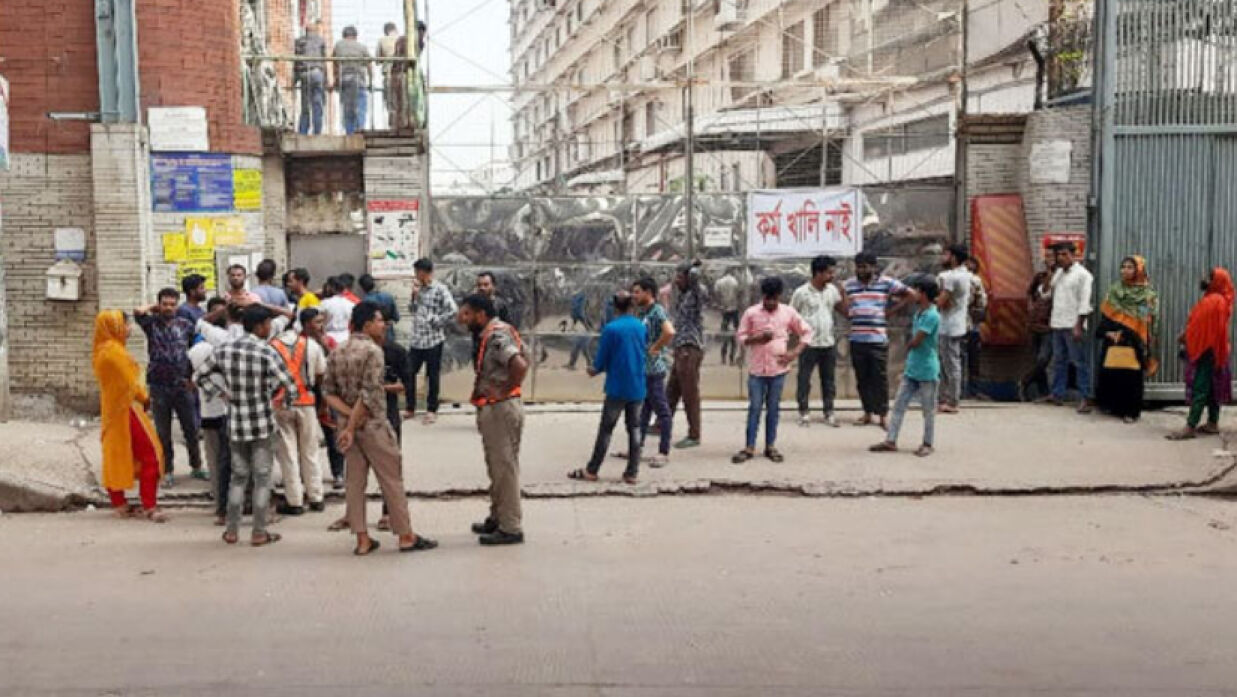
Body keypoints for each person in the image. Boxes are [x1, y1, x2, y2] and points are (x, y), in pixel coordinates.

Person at [323, 301, 438, 555]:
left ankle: (362, 539)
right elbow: (370, 395)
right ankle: (405, 535)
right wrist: (353, 424)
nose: (383, 325)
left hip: (346, 427)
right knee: (391, 479)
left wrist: (346, 419)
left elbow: (328, 393)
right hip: (372, 424)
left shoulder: (337, 352)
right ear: (366, 324)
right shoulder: (374, 352)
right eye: (378, 320)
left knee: (355, 483)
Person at [193, 305, 297, 546]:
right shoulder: (266, 351)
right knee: (262, 478)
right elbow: (290, 384)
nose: (270, 328)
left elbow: (198, 377)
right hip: (262, 423)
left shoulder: (225, 350)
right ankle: (259, 532)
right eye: (268, 324)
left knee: (237, 478)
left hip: (236, 424)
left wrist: (220, 393)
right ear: (260, 326)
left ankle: (231, 530)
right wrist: (282, 404)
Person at [460, 294, 529, 546]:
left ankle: (510, 527)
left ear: (480, 314)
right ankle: (497, 516)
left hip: (500, 408)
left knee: (504, 468)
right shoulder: (494, 333)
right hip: (495, 408)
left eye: (466, 314)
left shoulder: (497, 336)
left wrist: (503, 390)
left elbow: (520, 365)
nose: (462, 319)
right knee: (496, 466)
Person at [92, 310, 168, 523]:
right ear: (114, 326)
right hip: (127, 409)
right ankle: (149, 505)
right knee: (151, 454)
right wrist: (145, 398)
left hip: (113, 410)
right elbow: (131, 384)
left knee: (116, 454)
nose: (129, 329)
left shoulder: (101, 350)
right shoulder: (115, 353)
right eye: (125, 325)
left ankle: (120, 504)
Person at [568, 292, 647, 485]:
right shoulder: (641, 327)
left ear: (615, 307)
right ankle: (632, 473)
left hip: (617, 386)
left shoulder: (611, 329)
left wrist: (594, 369)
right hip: (637, 385)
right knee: (635, 428)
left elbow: (601, 359)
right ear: (632, 306)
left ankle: (592, 470)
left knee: (606, 430)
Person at [732, 277, 813, 464]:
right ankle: (749, 447)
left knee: (774, 409)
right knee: (754, 408)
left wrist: (794, 353)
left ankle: (770, 446)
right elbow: (741, 336)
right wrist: (757, 339)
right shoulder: (751, 313)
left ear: (779, 296)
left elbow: (807, 332)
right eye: (768, 299)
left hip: (778, 370)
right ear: (763, 296)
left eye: (774, 299)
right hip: (757, 371)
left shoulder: (788, 313)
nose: (770, 303)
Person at [134, 288, 203, 486]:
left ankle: (196, 466)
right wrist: (152, 308)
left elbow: (195, 351)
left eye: (172, 304)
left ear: (177, 305)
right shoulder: (151, 324)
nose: (169, 308)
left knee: (191, 428)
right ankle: (168, 470)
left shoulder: (186, 325)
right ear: (159, 304)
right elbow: (137, 312)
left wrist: (192, 378)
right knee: (163, 432)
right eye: (165, 304)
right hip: (158, 385)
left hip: (183, 384)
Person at [870, 278, 941, 457]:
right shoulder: (919, 313)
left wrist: (907, 346)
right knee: (900, 405)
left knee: (928, 409)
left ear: (924, 294)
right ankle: (891, 440)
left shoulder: (932, 315)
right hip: (913, 367)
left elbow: (917, 340)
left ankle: (927, 443)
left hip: (927, 369)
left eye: (917, 291)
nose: (914, 294)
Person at [843, 251, 911, 429]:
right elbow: (842, 303)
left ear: (874, 267)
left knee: (879, 378)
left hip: (877, 339)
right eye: (858, 266)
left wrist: (890, 311)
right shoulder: (849, 285)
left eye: (865, 266)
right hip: (857, 338)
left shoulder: (886, 283)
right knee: (862, 378)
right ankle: (867, 413)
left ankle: (882, 415)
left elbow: (910, 294)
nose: (861, 270)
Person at [270, 309, 328, 515]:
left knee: (288, 454)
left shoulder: (272, 346)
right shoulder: (312, 345)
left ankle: (294, 501)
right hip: (307, 402)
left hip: (281, 404)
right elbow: (321, 375)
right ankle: (316, 497)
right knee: (310, 451)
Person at [1167, 268, 1234, 440]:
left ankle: (1190, 426)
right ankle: (1212, 423)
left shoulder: (1214, 301)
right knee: (1212, 387)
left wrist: (1187, 337)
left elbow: (1204, 329)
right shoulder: (1220, 300)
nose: (1204, 279)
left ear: (1217, 281)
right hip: (1215, 350)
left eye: (1209, 277)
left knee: (1200, 387)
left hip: (1207, 350)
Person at [188, 298, 237, 525]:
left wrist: (214, 392)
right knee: (237, 462)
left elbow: (191, 379)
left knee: (217, 463)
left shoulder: (197, 349)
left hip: (209, 414)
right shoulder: (228, 344)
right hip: (232, 413)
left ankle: (220, 507)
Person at [1095, 256, 1158, 423]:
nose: (1125, 270)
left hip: (1133, 341)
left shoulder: (1147, 295)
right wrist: (1108, 333)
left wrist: (1132, 335)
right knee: (1112, 373)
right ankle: (1113, 407)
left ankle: (1131, 411)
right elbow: (1105, 318)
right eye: (1123, 267)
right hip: (1113, 341)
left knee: (1131, 377)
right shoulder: (1115, 291)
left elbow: (1146, 320)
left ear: (1139, 270)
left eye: (1130, 267)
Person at [791, 255, 844, 428]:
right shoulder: (801, 292)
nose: (832, 276)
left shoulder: (832, 291)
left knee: (828, 379)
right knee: (804, 378)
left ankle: (829, 412)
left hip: (827, 343)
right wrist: (795, 340)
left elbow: (842, 308)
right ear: (818, 273)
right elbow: (792, 316)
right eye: (829, 272)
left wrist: (844, 293)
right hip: (808, 344)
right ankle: (804, 412)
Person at [407, 258, 458, 424]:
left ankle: (431, 409)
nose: (415, 275)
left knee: (432, 375)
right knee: (409, 373)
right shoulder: (418, 289)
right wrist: (414, 296)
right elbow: (412, 310)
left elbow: (453, 310)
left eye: (417, 272)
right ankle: (410, 407)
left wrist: (436, 321)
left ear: (425, 272)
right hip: (417, 339)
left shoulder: (440, 289)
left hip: (433, 339)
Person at [1046, 242, 1096, 412]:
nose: (1061, 258)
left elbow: (1085, 302)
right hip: (1058, 323)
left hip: (1073, 324)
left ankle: (1085, 397)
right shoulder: (1059, 273)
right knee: (1059, 361)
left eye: (1064, 254)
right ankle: (1057, 393)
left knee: (1079, 362)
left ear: (1074, 255)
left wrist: (1078, 325)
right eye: (1058, 255)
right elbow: (1046, 294)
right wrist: (1050, 272)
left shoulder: (1083, 275)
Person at [632, 277, 676, 468]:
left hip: (654, 370)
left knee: (663, 412)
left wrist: (656, 348)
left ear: (648, 292)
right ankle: (637, 448)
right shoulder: (644, 312)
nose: (634, 295)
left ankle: (663, 452)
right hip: (645, 369)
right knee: (644, 412)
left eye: (637, 291)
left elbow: (669, 332)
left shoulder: (657, 311)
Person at [667, 260, 708, 449]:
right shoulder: (683, 296)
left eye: (680, 276)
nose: (676, 280)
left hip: (690, 348)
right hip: (680, 348)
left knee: (689, 392)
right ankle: (662, 423)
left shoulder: (696, 294)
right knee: (672, 390)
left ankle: (694, 434)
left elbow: (696, 278)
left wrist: (692, 266)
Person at [935, 244, 972, 414]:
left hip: (949, 325)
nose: (943, 257)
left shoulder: (951, 278)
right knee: (949, 363)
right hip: (956, 324)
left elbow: (942, 302)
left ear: (954, 257)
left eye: (946, 254)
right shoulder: (965, 275)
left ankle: (952, 400)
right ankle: (945, 398)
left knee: (950, 364)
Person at [1021, 260, 1055, 401]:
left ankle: (1025, 381)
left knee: (1043, 359)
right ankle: (1044, 392)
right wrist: (1031, 306)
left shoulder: (1061, 280)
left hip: (1050, 325)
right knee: (1037, 360)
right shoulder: (1040, 277)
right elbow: (1029, 292)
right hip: (1035, 324)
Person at [333, 26, 372, 134]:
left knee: (347, 107)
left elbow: (335, 64)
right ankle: (360, 127)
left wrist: (336, 79)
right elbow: (369, 64)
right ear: (355, 36)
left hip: (344, 80)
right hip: (359, 79)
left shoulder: (338, 45)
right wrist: (371, 80)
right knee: (361, 104)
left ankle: (349, 131)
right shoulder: (361, 46)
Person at [294, 22, 327, 135]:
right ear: (315, 31)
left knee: (305, 104)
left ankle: (303, 131)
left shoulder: (299, 41)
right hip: (317, 73)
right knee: (317, 103)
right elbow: (324, 61)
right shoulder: (321, 41)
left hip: (305, 73)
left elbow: (296, 61)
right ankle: (317, 131)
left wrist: (295, 79)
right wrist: (326, 81)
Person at [963, 256, 989, 398]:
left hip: (968, 326)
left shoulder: (974, 281)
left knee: (967, 359)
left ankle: (967, 390)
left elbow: (982, 303)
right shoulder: (976, 281)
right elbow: (982, 303)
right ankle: (970, 390)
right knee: (971, 360)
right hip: (969, 326)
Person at [359, 273, 398, 345]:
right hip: (389, 335)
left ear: (362, 287)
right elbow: (396, 317)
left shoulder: (364, 303)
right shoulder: (388, 296)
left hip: (373, 337)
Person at [320, 277, 357, 346]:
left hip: (329, 336)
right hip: (346, 336)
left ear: (330, 288)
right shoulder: (351, 304)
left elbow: (320, 320)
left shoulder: (324, 303)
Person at [715, 271, 742, 366]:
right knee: (735, 334)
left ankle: (723, 358)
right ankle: (732, 358)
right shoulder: (735, 281)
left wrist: (720, 305)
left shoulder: (719, 282)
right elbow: (740, 294)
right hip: (734, 310)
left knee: (724, 334)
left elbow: (716, 294)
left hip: (725, 310)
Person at [377, 22, 400, 126]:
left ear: (386, 31)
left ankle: (393, 125)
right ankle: (401, 124)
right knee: (401, 100)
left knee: (390, 101)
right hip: (401, 73)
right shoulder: (402, 39)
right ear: (395, 29)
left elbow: (378, 60)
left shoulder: (382, 40)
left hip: (388, 74)